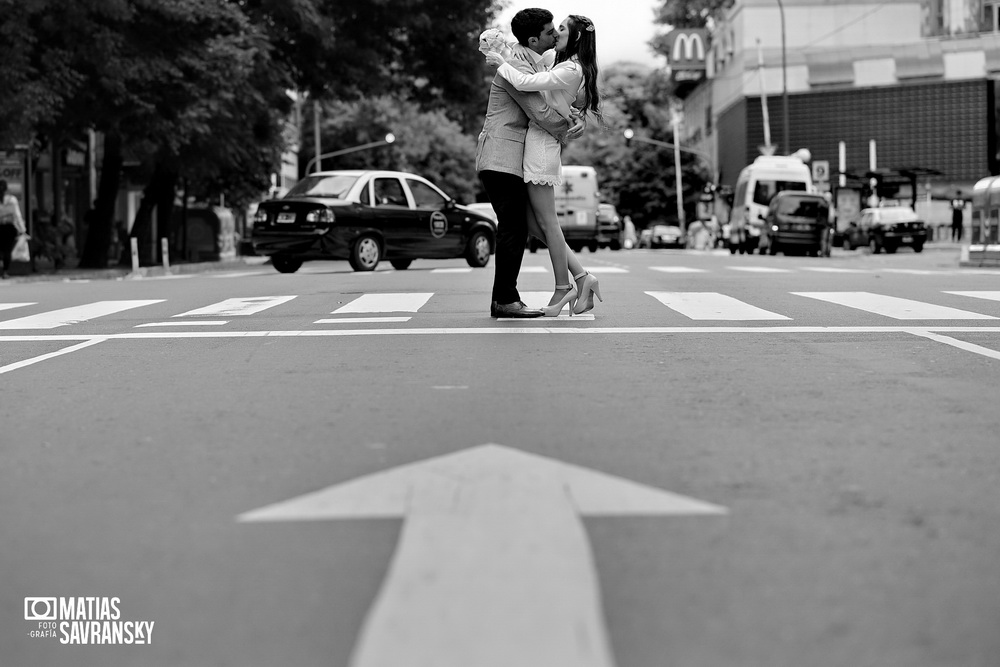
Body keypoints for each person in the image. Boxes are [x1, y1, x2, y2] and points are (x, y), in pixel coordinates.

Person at [486, 14, 603, 316]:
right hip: (505, 154)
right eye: (551, 31)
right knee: (524, 224)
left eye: (559, 30)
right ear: (535, 40)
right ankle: (577, 278)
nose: (554, 35)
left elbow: (545, 102)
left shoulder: (552, 64)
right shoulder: (524, 63)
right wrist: (500, 53)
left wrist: (574, 121)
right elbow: (539, 108)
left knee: (533, 224)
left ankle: (565, 285)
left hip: (534, 150)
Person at [0, 179, 28, 279]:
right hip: (9, 227)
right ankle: (5, 271)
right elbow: (17, 215)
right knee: (7, 250)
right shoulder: (12, 200)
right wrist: (23, 230)